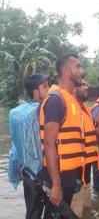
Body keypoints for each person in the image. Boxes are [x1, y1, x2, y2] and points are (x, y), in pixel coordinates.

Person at [39, 53, 85, 218]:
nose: (82, 71)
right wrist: (56, 186)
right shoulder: (56, 100)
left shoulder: (70, 99)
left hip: (67, 177)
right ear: (66, 71)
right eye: (78, 66)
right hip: (57, 179)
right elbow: (50, 144)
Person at [8, 74, 49, 219]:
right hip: (48, 174)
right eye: (45, 86)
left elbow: (14, 150)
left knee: (32, 213)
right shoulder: (46, 110)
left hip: (28, 175)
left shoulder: (16, 113)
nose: (49, 89)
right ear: (36, 91)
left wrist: (13, 174)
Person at [70, 79, 99, 218]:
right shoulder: (70, 110)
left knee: (86, 211)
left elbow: (96, 133)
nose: (86, 87)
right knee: (75, 212)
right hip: (75, 177)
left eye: (86, 84)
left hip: (86, 176)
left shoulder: (86, 110)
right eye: (81, 85)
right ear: (73, 89)